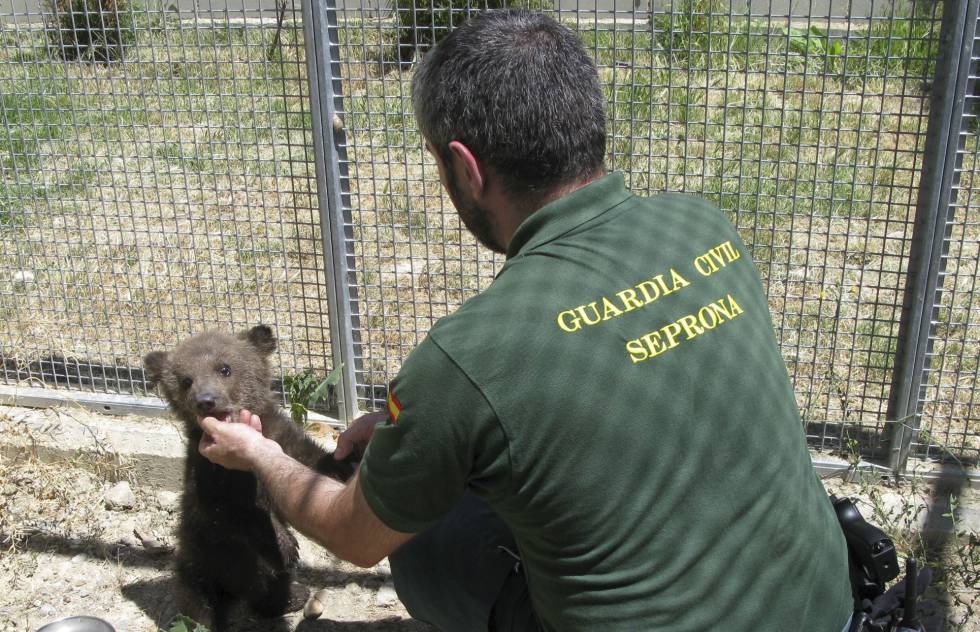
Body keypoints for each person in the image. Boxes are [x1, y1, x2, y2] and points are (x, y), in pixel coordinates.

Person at [195, 10, 854, 631]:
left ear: (465, 167)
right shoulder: (703, 226)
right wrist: (432, 432)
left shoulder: (471, 356)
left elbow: (350, 532)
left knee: (426, 538)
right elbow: (600, 380)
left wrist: (259, 454)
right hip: (828, 608)